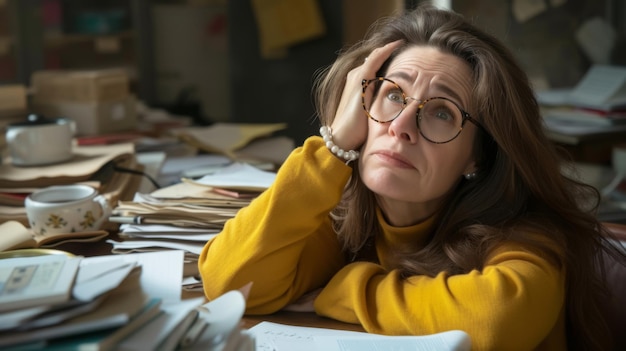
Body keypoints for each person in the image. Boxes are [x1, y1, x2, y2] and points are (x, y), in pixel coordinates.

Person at [198, 4, 626, 350]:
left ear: (477, 156)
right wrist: (332, 145)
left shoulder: (524, 233)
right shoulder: (340, 218)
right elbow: (233, 285)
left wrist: (346, 290)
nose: (401, 124)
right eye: (393, 95)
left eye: (442, 112)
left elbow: (496, 322)